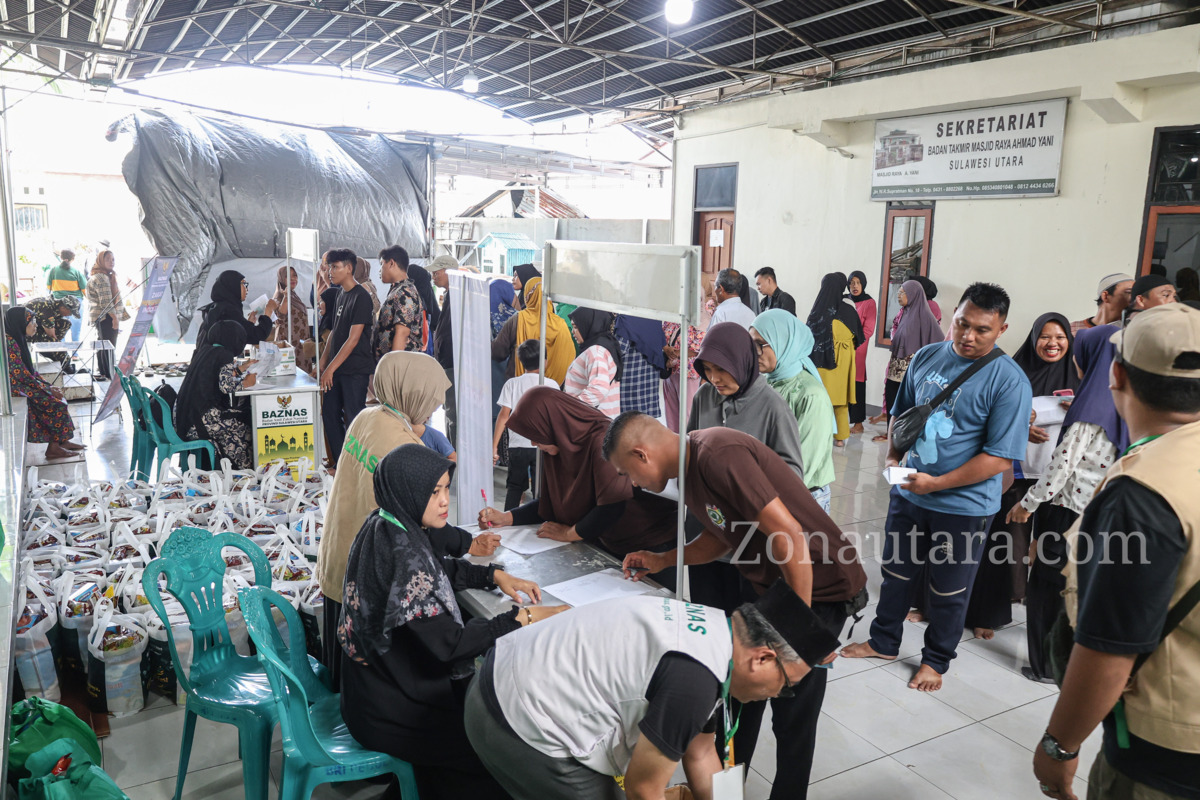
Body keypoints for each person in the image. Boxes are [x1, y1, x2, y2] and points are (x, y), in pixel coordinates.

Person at [609, 413, 866, 800]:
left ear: (641, 454)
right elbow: (725, 536)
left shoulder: (718, 453)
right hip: (774, 590)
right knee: (738, 702)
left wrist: (802, 631)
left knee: (793, 715)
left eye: (626, 471)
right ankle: (729, 793)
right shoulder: (691, 468)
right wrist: (664, 559)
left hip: (819, 590)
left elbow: (790, 537)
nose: (633, 482)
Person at [1033, 303, 1200, 800]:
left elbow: (1109, 649)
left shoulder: (1142, 492)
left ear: (1118, 373)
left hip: (1166, 749)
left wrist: (1059, 747)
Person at [465, 582, 841, 800]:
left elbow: (700, 752)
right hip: (516, 725)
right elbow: (643, 789)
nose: (778, 695)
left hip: (493, 680)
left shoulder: (713, 631)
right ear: (761, 658)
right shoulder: (694, 683)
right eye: (786, 685)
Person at [339, 444, 564, 800]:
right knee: (500, 758)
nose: (445, 500)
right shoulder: (406, 555)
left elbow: (435, 569)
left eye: (446, 488)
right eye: (434, 492)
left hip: (372, 689)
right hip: (393, 710)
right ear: (408, 491)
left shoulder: (386, 524)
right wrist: (522, 617)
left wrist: (492, 576)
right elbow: (451, 645)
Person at [842, 283, 1032, 692]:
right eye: (962, 323)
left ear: (1001, 329)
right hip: (909, 493)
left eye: (982, 329)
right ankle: (884, 641)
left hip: (963, 506)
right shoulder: (927, 356)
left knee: (949, 587)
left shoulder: (1010, 381)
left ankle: (936, 661)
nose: (968, 335)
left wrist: (939, 484)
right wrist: (893, 458)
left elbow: (999, 458)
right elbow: (901, 414)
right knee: (895, 573)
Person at [316, 352, 486, 684]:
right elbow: (417, 523)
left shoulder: (368, 417)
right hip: (369, 572)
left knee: (342, 667)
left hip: (339, 555)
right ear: (413, 392)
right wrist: (469, 544)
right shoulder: (404, 446)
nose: (435, 408)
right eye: (431, 400)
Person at [1006, 322, 1122, 683]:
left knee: (1047, 586)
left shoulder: (1089, 406)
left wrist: (1028, 503)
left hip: (1066, 508)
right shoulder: (1123, 400)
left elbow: (1061, 467)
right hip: (1099, 509)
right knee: (1075, 585)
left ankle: (1045, 665)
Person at [965, 312, 1079, 640]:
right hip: (1017, 473)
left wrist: (1077, 410)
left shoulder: (1079, 375)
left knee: (1051, 545)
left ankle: (1042, 607)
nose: (1052, 343)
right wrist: (1021, 425)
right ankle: (992, 610)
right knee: (1006, 542)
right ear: (1033, 339)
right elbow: (988, 414)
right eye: (1045, 336)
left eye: (1059, 337)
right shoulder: (1015, 373)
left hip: (1060, 479)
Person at [479, 388, 678, 560]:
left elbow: (611, 507)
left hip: (650, 542)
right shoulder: (558, 446)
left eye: (536, 436)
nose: (534, 444)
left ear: (552, 424)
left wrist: (568, 534)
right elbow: (552, 503)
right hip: (607, 541)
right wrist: (507, 518)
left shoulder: (602, 440)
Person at [688, 322, 806, 478]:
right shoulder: (704, 395)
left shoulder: (773, 407)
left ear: (743, 362)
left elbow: (794, 473)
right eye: (707, 369)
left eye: (721, 369)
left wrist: (749, 476)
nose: (714, 378)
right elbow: (690, 445)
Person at [750, 310, 837, 512]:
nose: (754, 352)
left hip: (802, 495)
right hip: (769, 492)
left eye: (760, 345)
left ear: (784, 343)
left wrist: (764, 497)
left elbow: (804, 463)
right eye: (751, 344)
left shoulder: (810, 395)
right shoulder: (764, 382)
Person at [174, 320, 256, 469]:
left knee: (237, 421)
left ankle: (232, 469)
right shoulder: (225, 355)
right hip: (200, 423)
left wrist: (240, 369)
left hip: (184, 420)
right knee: (248, 421)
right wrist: (246, 383)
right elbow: (225, 386)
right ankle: (244, 470)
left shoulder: (205, 350)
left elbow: (216, 376)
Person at [319, 249, 376, 464]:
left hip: (354, 370)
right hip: (336, 368)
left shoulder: (362, 297)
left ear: (349, 268)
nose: (330, 272)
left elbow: (353, 339)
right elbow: (334, 331)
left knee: (354, 418)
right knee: (329, 413)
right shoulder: (340, 293)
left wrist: (330, 368)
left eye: (335, 267)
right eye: (329, 267)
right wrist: (324, 362)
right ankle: (341, 461)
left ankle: (358, 465)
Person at [872, 279, 945, 444]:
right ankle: (891, 435)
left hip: (910, 372)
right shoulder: (904, 313)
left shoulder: (926, 316)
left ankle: (903, 437)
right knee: (892, 400)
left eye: (902, 292)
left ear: (913, 294)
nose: (898, 295)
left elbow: (938, 342)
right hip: (895, 370)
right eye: (899, 292)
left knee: (906, 405)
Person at [4, 306, 82, 459]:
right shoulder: (10, 343)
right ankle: (53, 448)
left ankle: (62, 441)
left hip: (24, 383)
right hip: (16, 387)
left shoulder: (17, 338)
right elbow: (22, 375)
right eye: (32, 321)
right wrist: (46, 389)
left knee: (58, 395)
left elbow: (30, 371)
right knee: (56, 404)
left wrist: (48, 386)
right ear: (20, 323)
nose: (36, 325)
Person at [493, 340, 559, 510]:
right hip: (543, 445)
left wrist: (494, 447)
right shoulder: (552, 385)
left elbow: (503, 417)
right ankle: (540, 522)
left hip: (517, 446)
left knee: (514, 488)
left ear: (521, 362)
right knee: (542, 489)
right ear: (545, 361)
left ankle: (507, 523)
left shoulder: (512, 384)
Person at [807, 271, 865, 445]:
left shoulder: (817, 310)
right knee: (840, 401)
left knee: (820, 399)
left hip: (821, 361)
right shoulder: (848, 310)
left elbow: (808, 336)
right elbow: (858, 338)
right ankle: (839, 438)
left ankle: (818, 435)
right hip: (843, 362)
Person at [491, 277, 574, 386]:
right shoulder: (561, 324)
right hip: (550, 389)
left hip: (519, 386)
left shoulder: (518, 319)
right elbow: (568, 357)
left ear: (527, 296)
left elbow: (498, 351)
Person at [194, 269, 276, 349]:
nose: (247, 289)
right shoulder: (228, 310)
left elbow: (241, 335)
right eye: (244, 284)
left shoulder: (219, 307)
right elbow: (257, 336)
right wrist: (268, 312)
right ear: (233, 285)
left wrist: (249, 324)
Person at [564, 307, 622, 418]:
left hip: (593, 422)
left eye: (576, 327)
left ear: (588, 325)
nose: (573, 332)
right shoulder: (605, 344)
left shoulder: (595, 352)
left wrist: (572, 408)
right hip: (603, 419)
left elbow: (599, 388)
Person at [85, 250, 130, 381]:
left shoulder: (101, 275)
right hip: (106, 316)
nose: (111, 262)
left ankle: (104, 372)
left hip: (101, 316)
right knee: (109, 345)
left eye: (113, 259)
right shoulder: (102, 277)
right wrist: (115, 318)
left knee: (103, 344)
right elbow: (106, 301)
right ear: (100, 261)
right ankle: (109, 373)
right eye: (108, 259)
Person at [375, 245, 425, 359]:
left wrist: (393, 367)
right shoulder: (397, 290)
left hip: (401, 367)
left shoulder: (405, 292)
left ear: (391, 263)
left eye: (382, 264)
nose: (380, 270)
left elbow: (402, 333)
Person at [429, 255, 459, 444]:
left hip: (453, 363)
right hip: (446, 363)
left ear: (449, 271)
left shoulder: (458, 295)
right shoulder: (450, 294)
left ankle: (456, 453)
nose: (433, 276)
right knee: (449, 410)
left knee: (454, 411)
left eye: (436, 272)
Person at [613, 315, 665, 417]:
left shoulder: (625, 319)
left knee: (628, 424)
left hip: (630, 382)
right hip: (650, 380)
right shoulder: (653, 317)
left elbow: (619, 349)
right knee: (646, 422)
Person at [847, 270, 877, 433]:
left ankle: (858, 423)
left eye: (858, 282)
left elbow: (869, 329)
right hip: (842, 348)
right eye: (852, 282)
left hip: (858, 348)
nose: (855, 286)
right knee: (843, 383)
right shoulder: (845, 299)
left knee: (857, 382)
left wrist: (854, 343)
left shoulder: (869, 302)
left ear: (863, 284)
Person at [661, 320, 703, 433]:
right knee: (671, 418)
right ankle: (675, 447)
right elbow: (661, 338)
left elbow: (698, 347)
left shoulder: (701, 316)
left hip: (688, 373)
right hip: (670, 371)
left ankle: (690, 447)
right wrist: (667, 349)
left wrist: (674, 353)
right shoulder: (670, 318)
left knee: (688, 416)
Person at [270, 265, 313, 373]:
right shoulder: (279, 296)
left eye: (295, 275)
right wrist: (285, 297)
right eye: (288, 276)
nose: (293, 279)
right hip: (289, 343)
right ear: (281, 278)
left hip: (299, 343)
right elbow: (280, 316)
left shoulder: (293, 295)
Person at [1071, 272, 1133, 337]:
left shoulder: (1131, 331)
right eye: (1129, 292)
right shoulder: (1073, 329)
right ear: (1105, 296)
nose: (1135, 298)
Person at [25, 296, 79, 372]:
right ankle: (65, 365)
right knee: (54, 344)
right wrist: (57, 344)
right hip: (25, 331)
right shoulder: (47, 308)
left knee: (66, 323)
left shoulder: (56, 305)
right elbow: (51, 334)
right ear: (63, 308)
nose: (70, 315)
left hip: (37, 326)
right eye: (70, 312)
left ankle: (59, 359)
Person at [45, 249, 86, 341]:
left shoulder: (53, 270)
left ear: (61, 257)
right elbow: (84, 289)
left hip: (59, 304)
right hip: (75, 303)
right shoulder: (76, 271)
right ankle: (75, 354)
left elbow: (48, 287)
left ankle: (62, 351)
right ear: (73, 259)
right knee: (76, 330)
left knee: (60, 330)